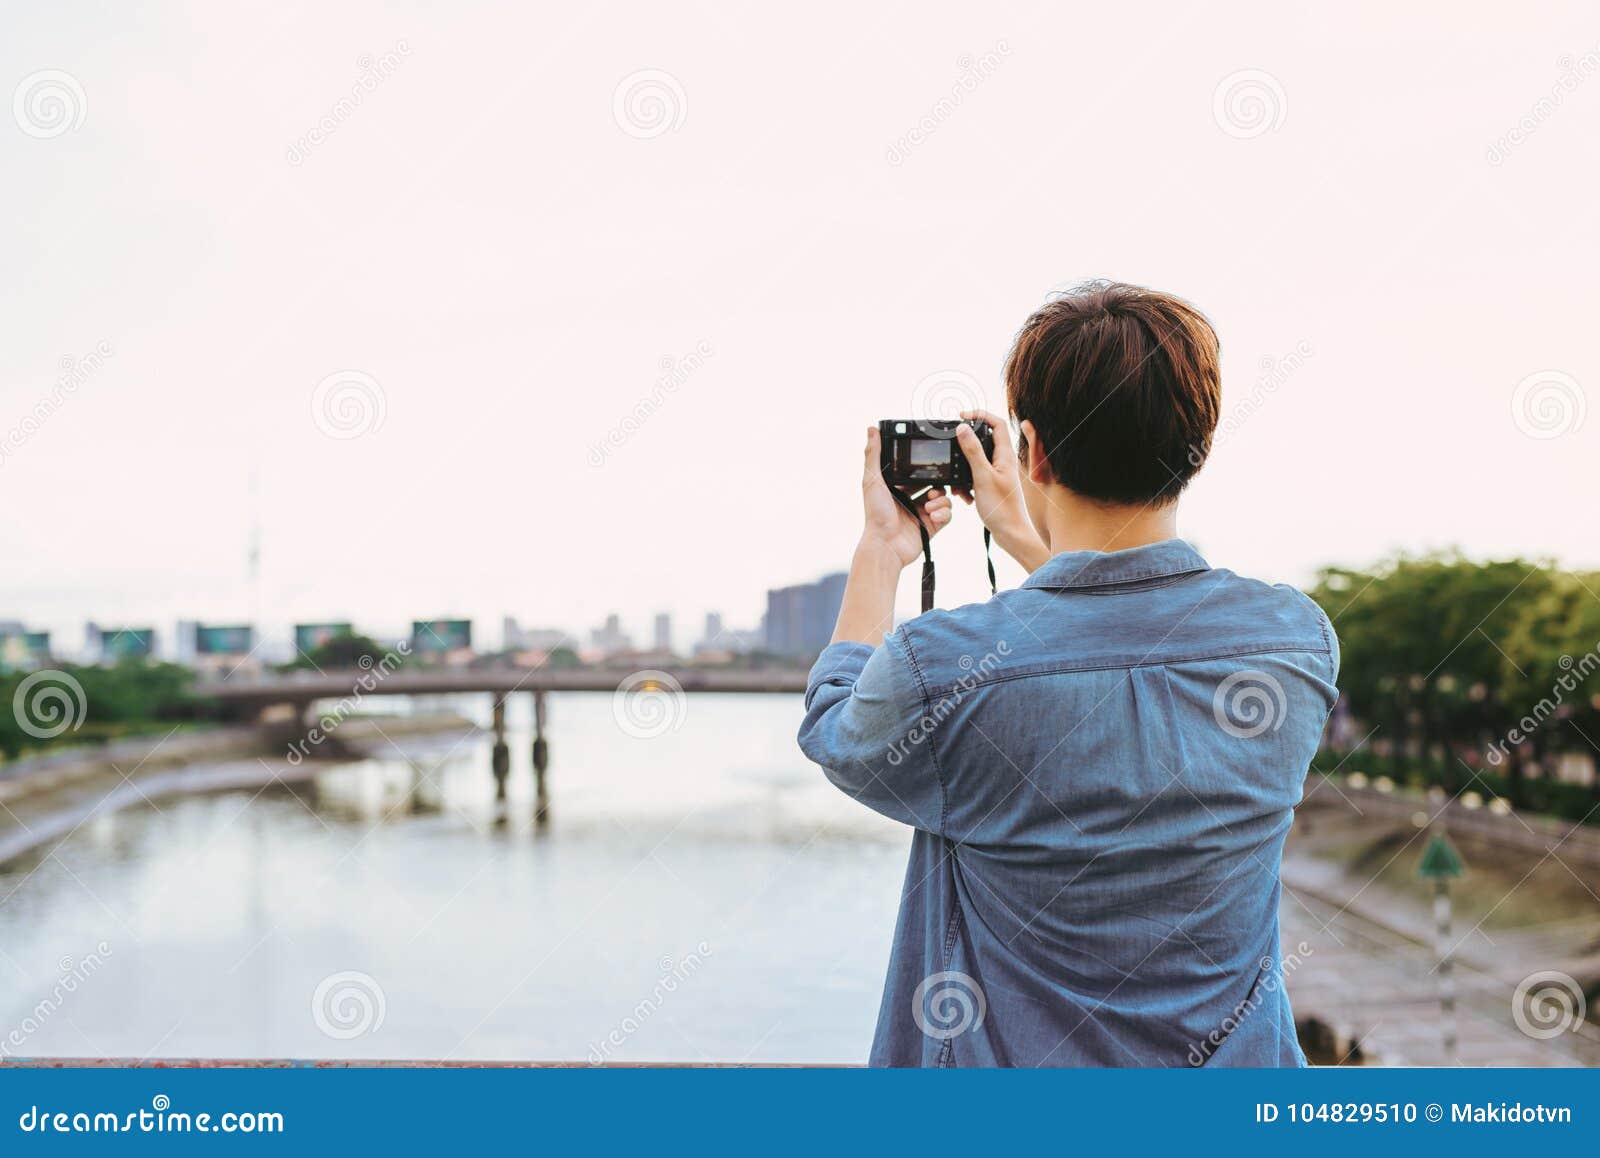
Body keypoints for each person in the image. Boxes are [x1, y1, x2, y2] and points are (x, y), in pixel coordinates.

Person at [797, 281, 1338, 1067]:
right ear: (1200, 444)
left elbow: (834, 726)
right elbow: (1119, 640)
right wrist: (1021, 532)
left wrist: (882, 551)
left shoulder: (946, 668)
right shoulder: (1291, 645)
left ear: (1034, 450)